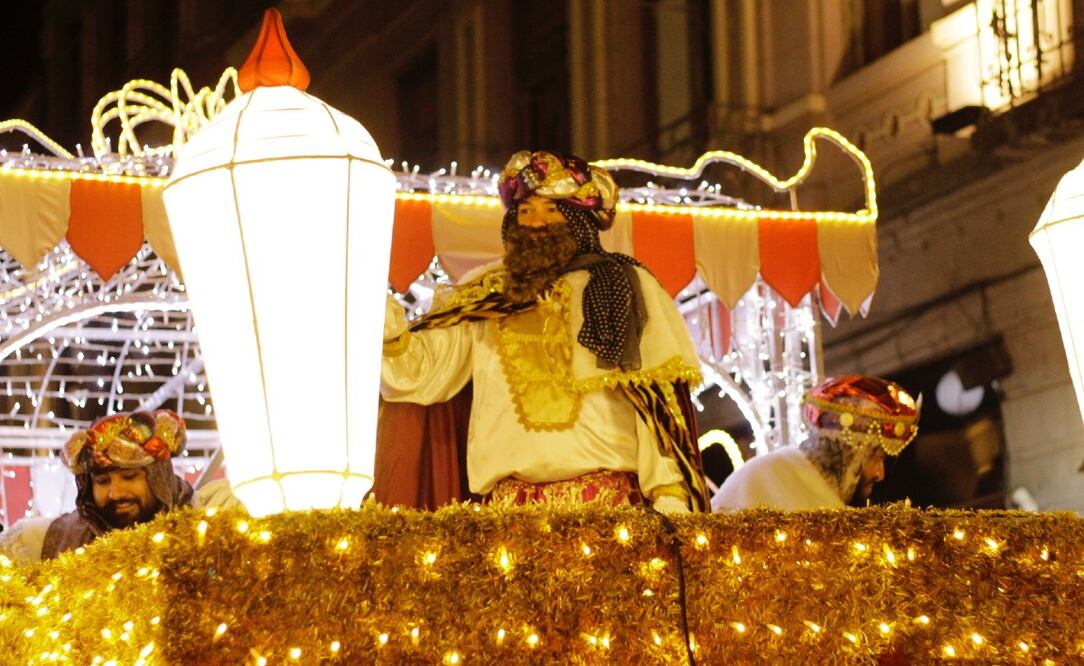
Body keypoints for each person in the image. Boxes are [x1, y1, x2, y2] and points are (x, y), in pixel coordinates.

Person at [379, 150, 708, 513]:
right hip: (507, 513)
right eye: (526, 211)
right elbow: (417, 374)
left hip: (608, 507)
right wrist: (380, 318)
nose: (537, 223)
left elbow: (658, 408)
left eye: (552, 210)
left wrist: (670, 494)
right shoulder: (486, 294)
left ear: (579, 220)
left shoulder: (621, 286)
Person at [0, 409, 195, 563]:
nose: (116, 493)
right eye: (102, 481)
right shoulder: (43, 543)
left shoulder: (201, 532)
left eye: (129, 477)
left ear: (159, 478)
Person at [710, 375, 920, 511]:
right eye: (876, 457)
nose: (880, 474)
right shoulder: (770, 477)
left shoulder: (825, 496)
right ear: (850, 451)